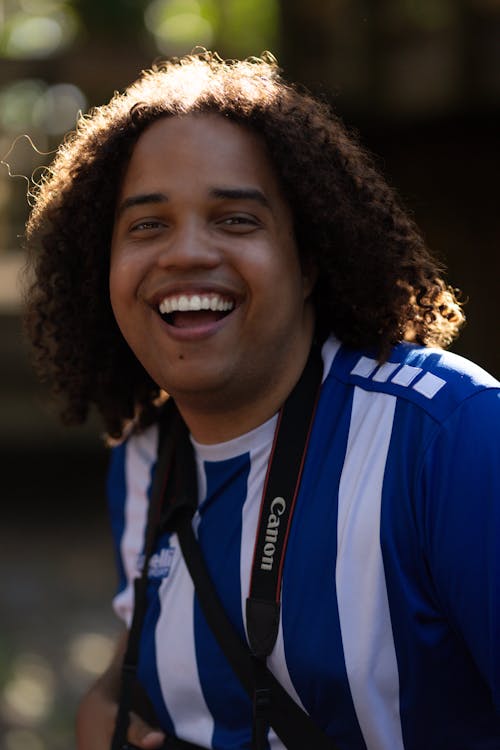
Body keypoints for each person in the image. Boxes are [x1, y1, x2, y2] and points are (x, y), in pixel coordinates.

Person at [23, 51, 500, 750]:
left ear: (308, 261)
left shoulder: (446, 435)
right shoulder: (143, 465)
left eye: (236, 220)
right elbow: (146, 663)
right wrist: (104, 715)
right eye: (146, 225)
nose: (185, 253)